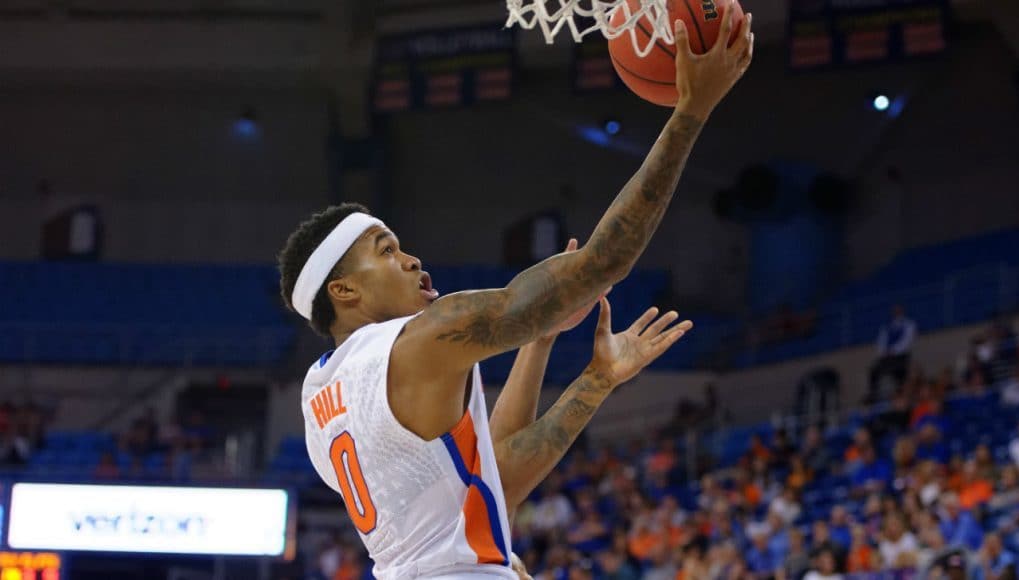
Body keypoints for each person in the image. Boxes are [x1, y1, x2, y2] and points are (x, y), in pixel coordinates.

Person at [276, 9, 756, 577]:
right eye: (385, 250)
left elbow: (487, 485)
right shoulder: (421, 340)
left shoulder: (320, 398)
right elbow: (603, 262)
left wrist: (568, 360)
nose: (410, 259)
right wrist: (691, 111)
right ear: (345, 289)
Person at [867, 305, 918, 403]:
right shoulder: (887, 326)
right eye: (895, 311)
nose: (896, 313)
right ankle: (873, 394)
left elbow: (907, 341)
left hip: (900, 356)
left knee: (900, 374)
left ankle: (903, 395)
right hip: (887, 357)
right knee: (874, 371)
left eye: (898, 310)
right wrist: (883, 352)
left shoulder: (908, 324)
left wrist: (894, 350)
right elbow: (881, 341)